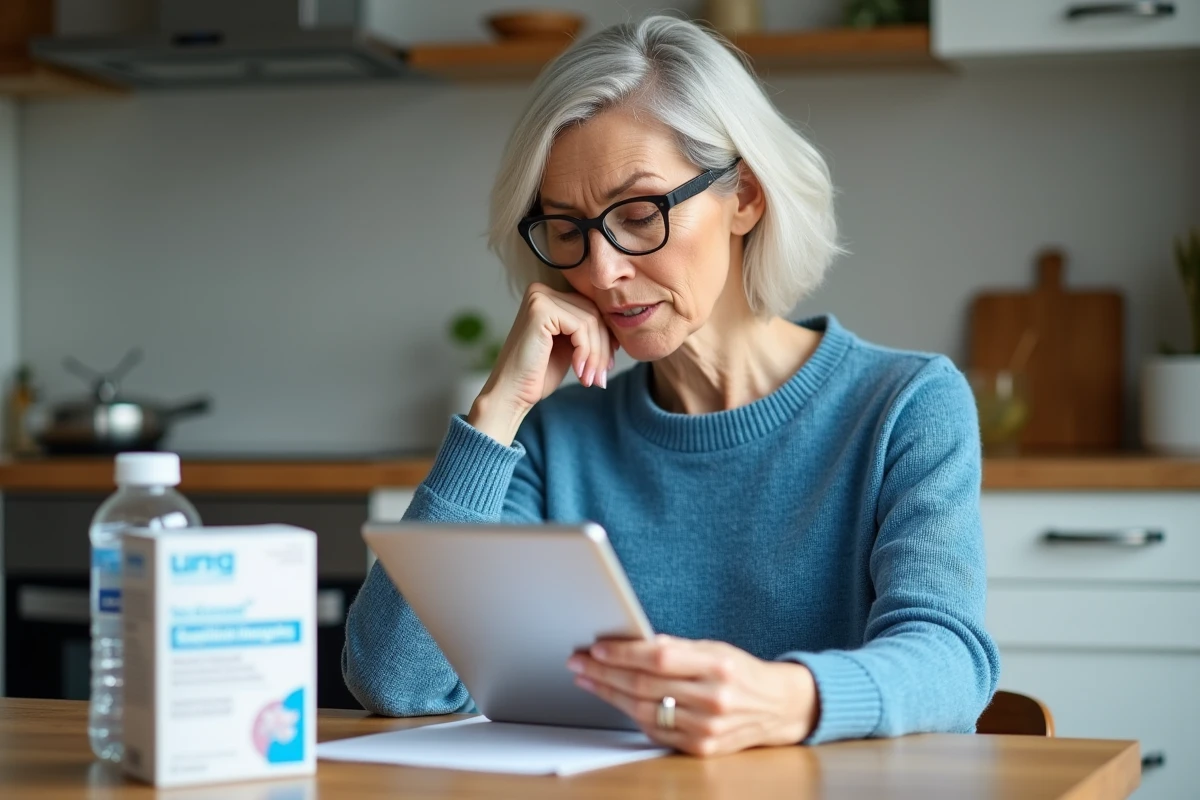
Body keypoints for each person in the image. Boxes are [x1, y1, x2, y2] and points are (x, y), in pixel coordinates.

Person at [343, 15, 999, 756]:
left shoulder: (904, 406)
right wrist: (499, 412)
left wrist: (782, 699)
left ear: (744, 195)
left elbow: (950, 661)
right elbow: (396, 680)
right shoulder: (558, 440)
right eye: (567, 228)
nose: (599, 269)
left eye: (637, 213)